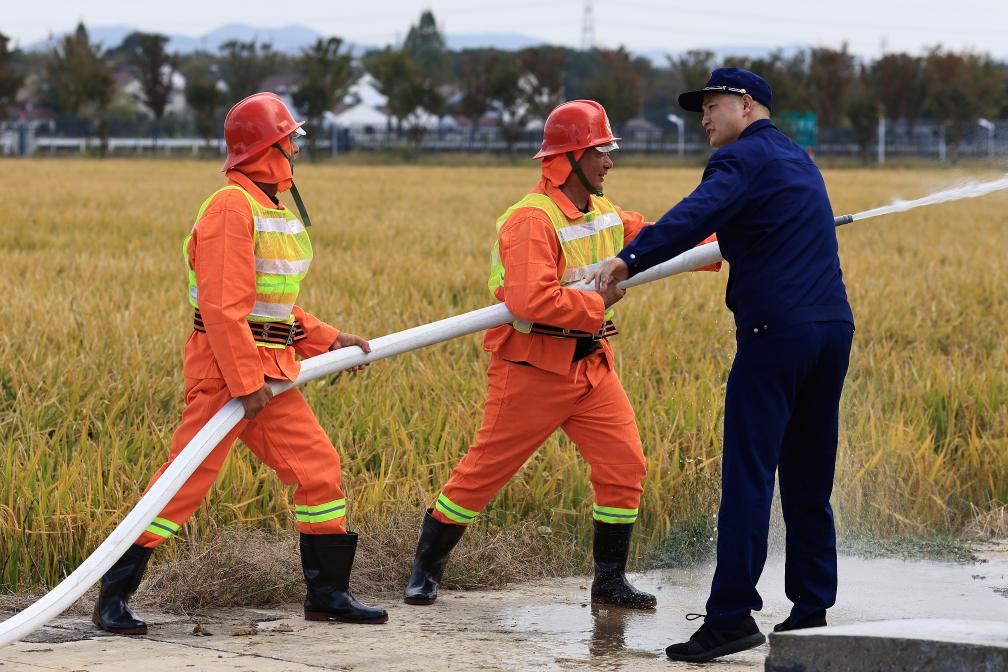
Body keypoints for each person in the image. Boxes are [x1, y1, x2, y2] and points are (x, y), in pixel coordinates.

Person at [402, 100, 720, 610]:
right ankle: (425, 569)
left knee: (625, 467)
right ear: (569, 158)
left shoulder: (606, 214)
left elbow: (663, 241)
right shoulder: (531, 220)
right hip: (531, 370)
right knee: (482, 475)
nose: (609, 162)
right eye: (600, 151)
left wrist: (729, 242)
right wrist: (598, 303)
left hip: (591, 367)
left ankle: (609, 581)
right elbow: (531, 300)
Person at [92, 92, 387, 635]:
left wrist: (327, 340)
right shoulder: (232, 207)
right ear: (269, 148)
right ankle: (112, 597)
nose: (298, 148)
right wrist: (246, 383)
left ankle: (328, 596)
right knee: (183, 483)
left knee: (318, 470)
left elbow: (271, 306)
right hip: (227, 372)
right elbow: (223, 308)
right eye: (291, 139)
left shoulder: (267, 206)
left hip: (268, 372)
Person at [594, 68, 855, 663]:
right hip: (831, 331)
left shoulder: (739, 159)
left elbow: (696, 213)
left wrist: (628, 260)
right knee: (809, 478)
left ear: (746, 103)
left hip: (774, 335)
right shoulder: (798, 158)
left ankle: (730, 617)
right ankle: (812, 609)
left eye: (712, 105)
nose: (705, 118)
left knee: (748, 479)